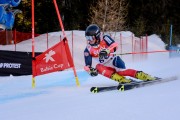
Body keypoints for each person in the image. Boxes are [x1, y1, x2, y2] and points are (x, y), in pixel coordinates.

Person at [83, 24, 156, 83]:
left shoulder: (105, 38)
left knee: (122, 73)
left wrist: (107, 50)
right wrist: (90, 71)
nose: (89, 40)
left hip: (114, 61)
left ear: (97, 36)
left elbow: (115, 45)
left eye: (91, 38)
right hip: (105, 66)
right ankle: (122, 80)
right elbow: (87, 66)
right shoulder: (88, 49)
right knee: (98, 67)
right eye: (87, 38)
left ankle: (144, 76)